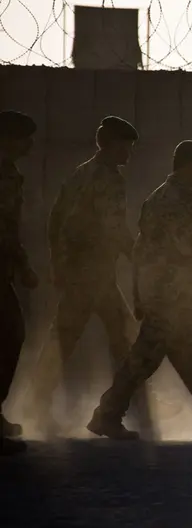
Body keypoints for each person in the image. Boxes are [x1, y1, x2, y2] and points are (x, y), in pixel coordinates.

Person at [86, 140, 192, 440]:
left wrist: (140, 293)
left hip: (162, 294)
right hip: (168, 296)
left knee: (191, 362)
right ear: (188, 166)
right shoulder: (180, 199)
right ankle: (106, 416)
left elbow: (141, 249)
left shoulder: (157, 198)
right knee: (143, 361)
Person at [30, 116, 150, 436]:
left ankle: (40, 404)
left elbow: (56, 219)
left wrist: (58, 264)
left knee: (70, 339)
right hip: (93, 274)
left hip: (83, 272)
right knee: (122, 338)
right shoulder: (109, 178)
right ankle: (121, 408)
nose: (129, 153)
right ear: (110, 145)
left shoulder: (81, 173)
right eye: (125, 146)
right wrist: (140, 255)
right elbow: (113, 227)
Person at [0, 110, 38, 456]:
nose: (29, 146)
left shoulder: (11, 175)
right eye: (24, 139)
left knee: (11, 335)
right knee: (9, 334)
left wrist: (21, 265)